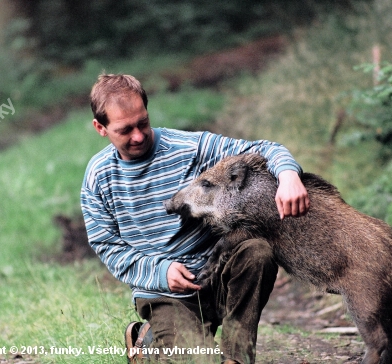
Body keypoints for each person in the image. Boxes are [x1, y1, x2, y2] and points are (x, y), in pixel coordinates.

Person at [81, 74, 309, 363]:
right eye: (125, 130)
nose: (138, 136)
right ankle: (147, 345)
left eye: (143, 123)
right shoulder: (98, 177)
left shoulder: (190, 147)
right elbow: (107, 246)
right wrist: (161, 273)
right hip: (163, 294)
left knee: (258, 252)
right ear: (100, 128)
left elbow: (265, 149)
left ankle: (237, 357)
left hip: (217, 272)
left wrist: (289, 175)